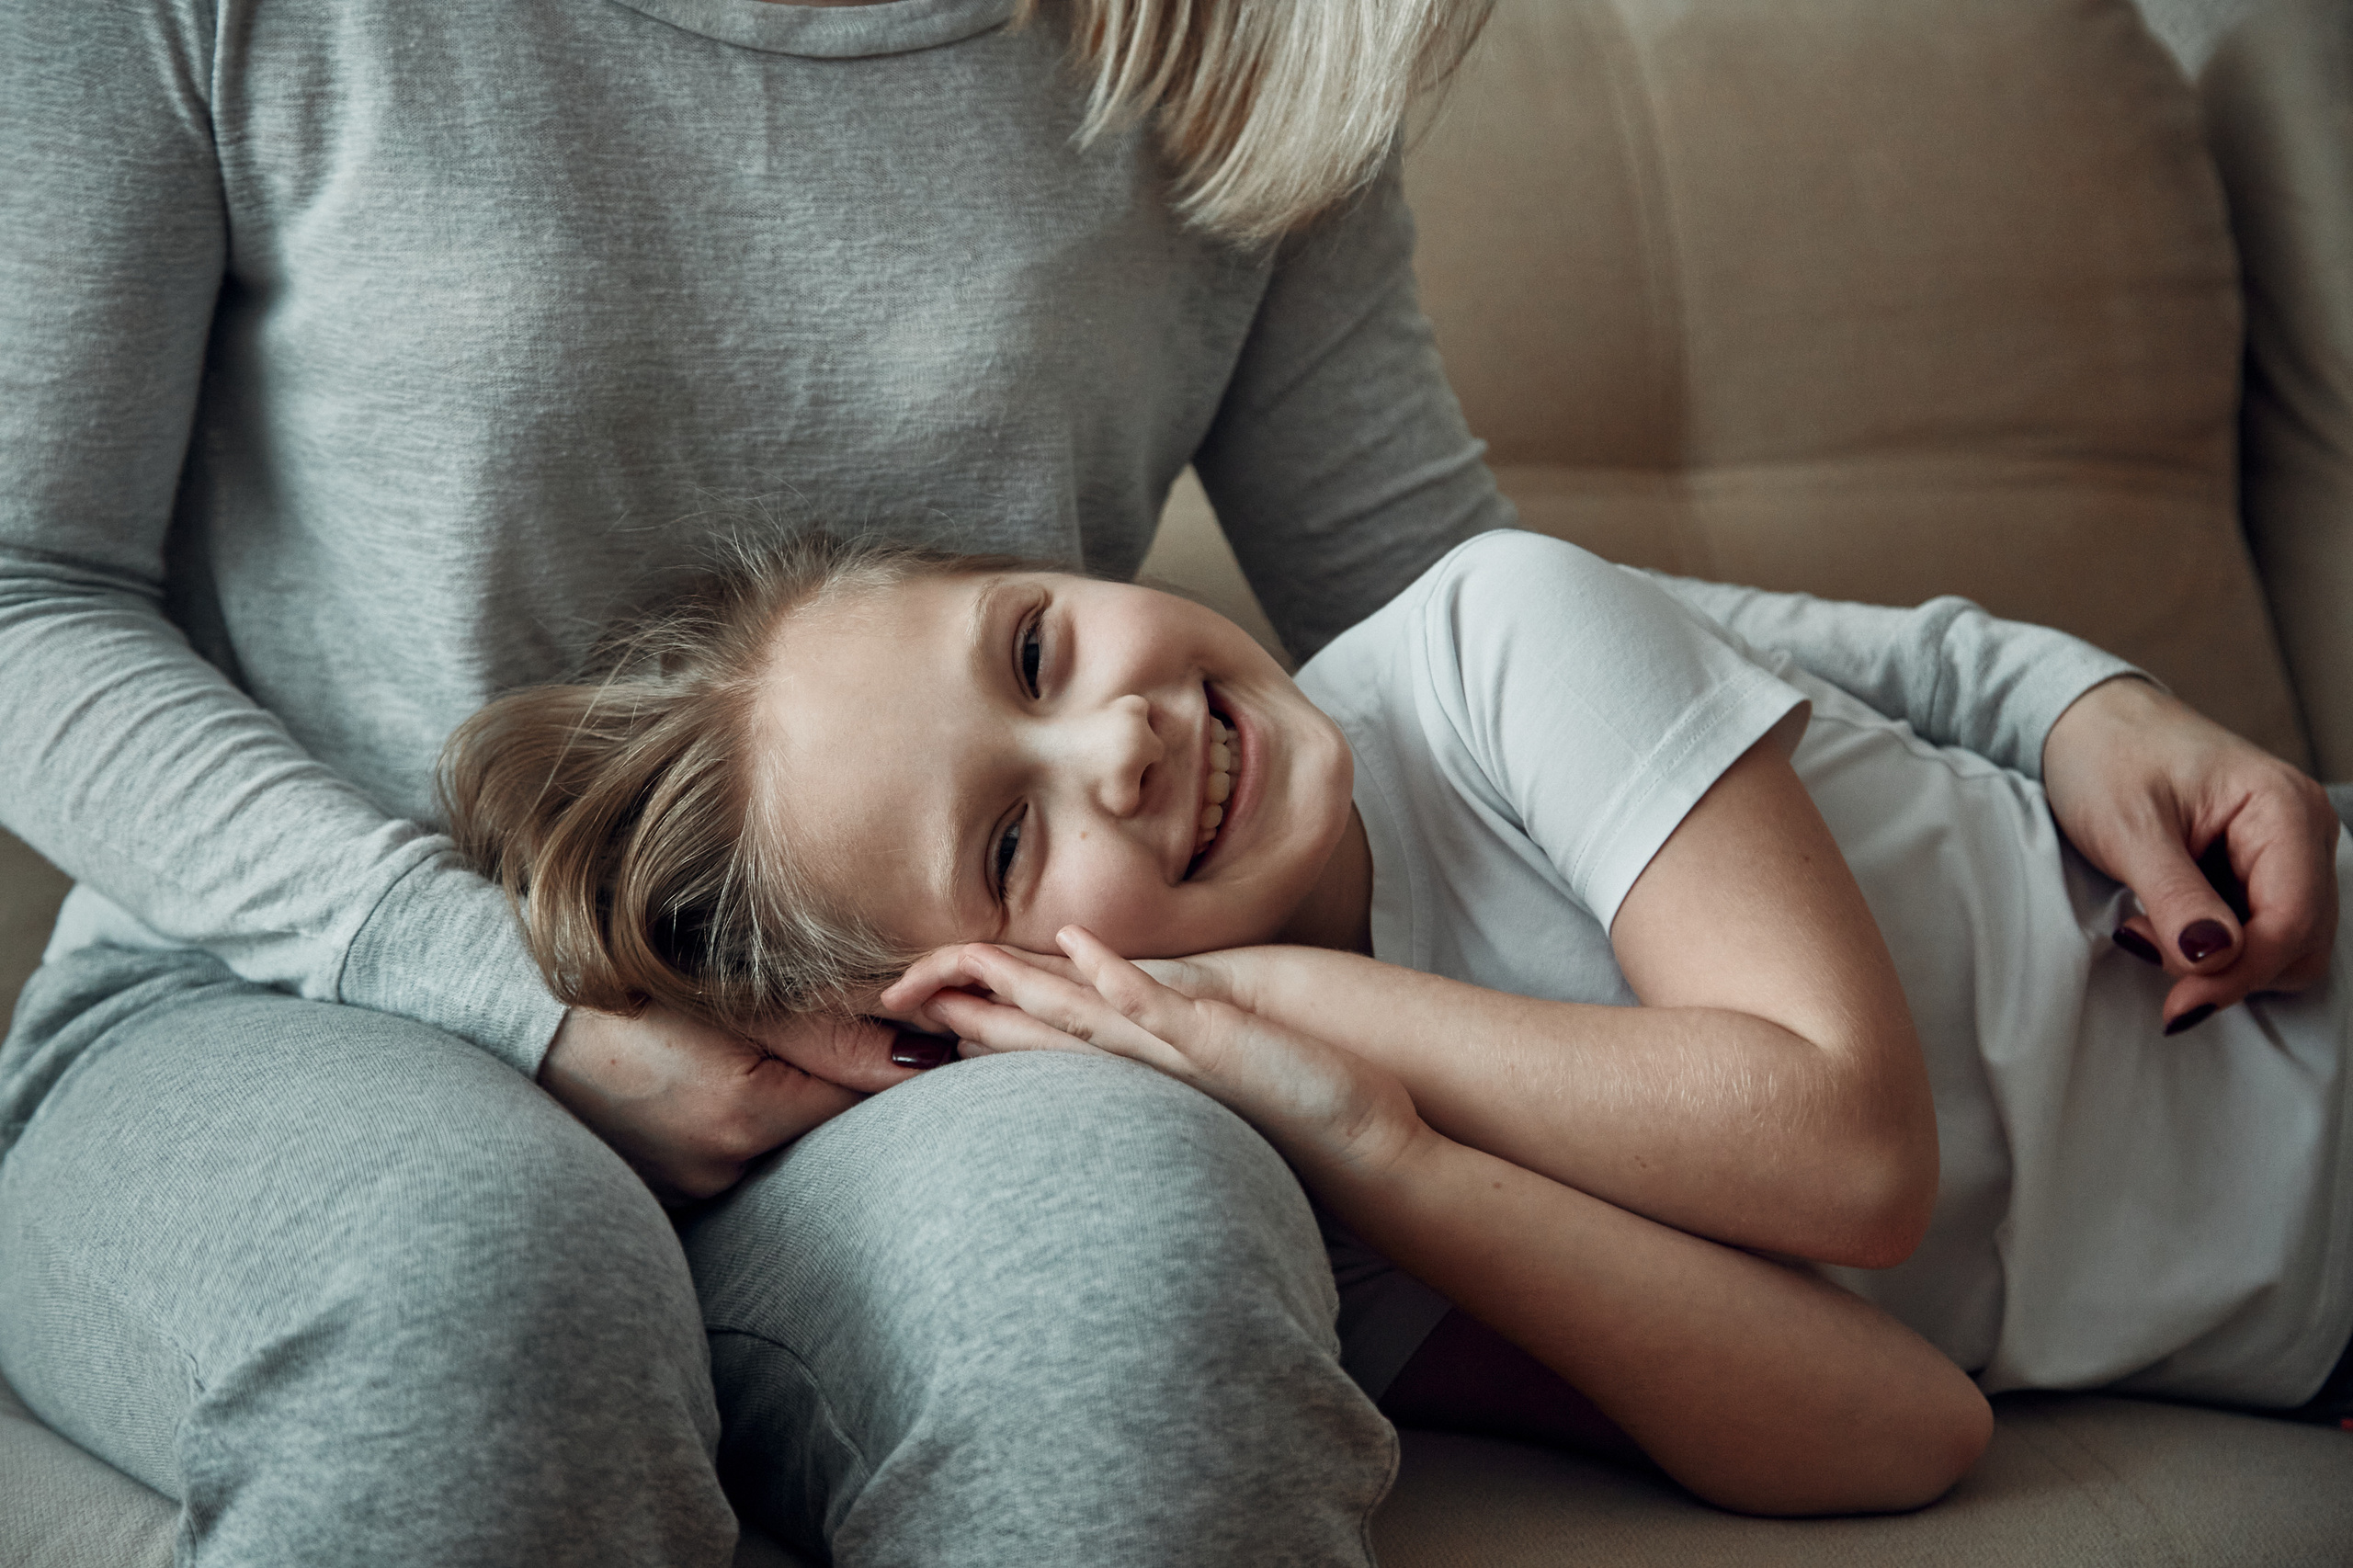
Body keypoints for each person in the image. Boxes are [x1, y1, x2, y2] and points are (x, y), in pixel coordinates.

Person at [0, 1, 2339, 1562]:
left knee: (1131, 1294)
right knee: (480, 1287)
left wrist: (2009, 692)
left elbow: (1453, 614)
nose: (1109, 724)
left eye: (1038, 641)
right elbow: (18, 587)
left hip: (1003, 1031)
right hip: (299, 996)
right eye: (1027, 763)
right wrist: (509, 1002)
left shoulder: (1228, 32)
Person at [441, 527, 2352, 1516]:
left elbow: (1845, 1156)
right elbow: (1900, 1427)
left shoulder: (1493, 644)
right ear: (970, 1004)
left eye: (1032, 645)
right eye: (1009, 844)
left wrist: (1280, 991)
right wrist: (1366, 1140)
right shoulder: (1304, 1185)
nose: (1112, 733)